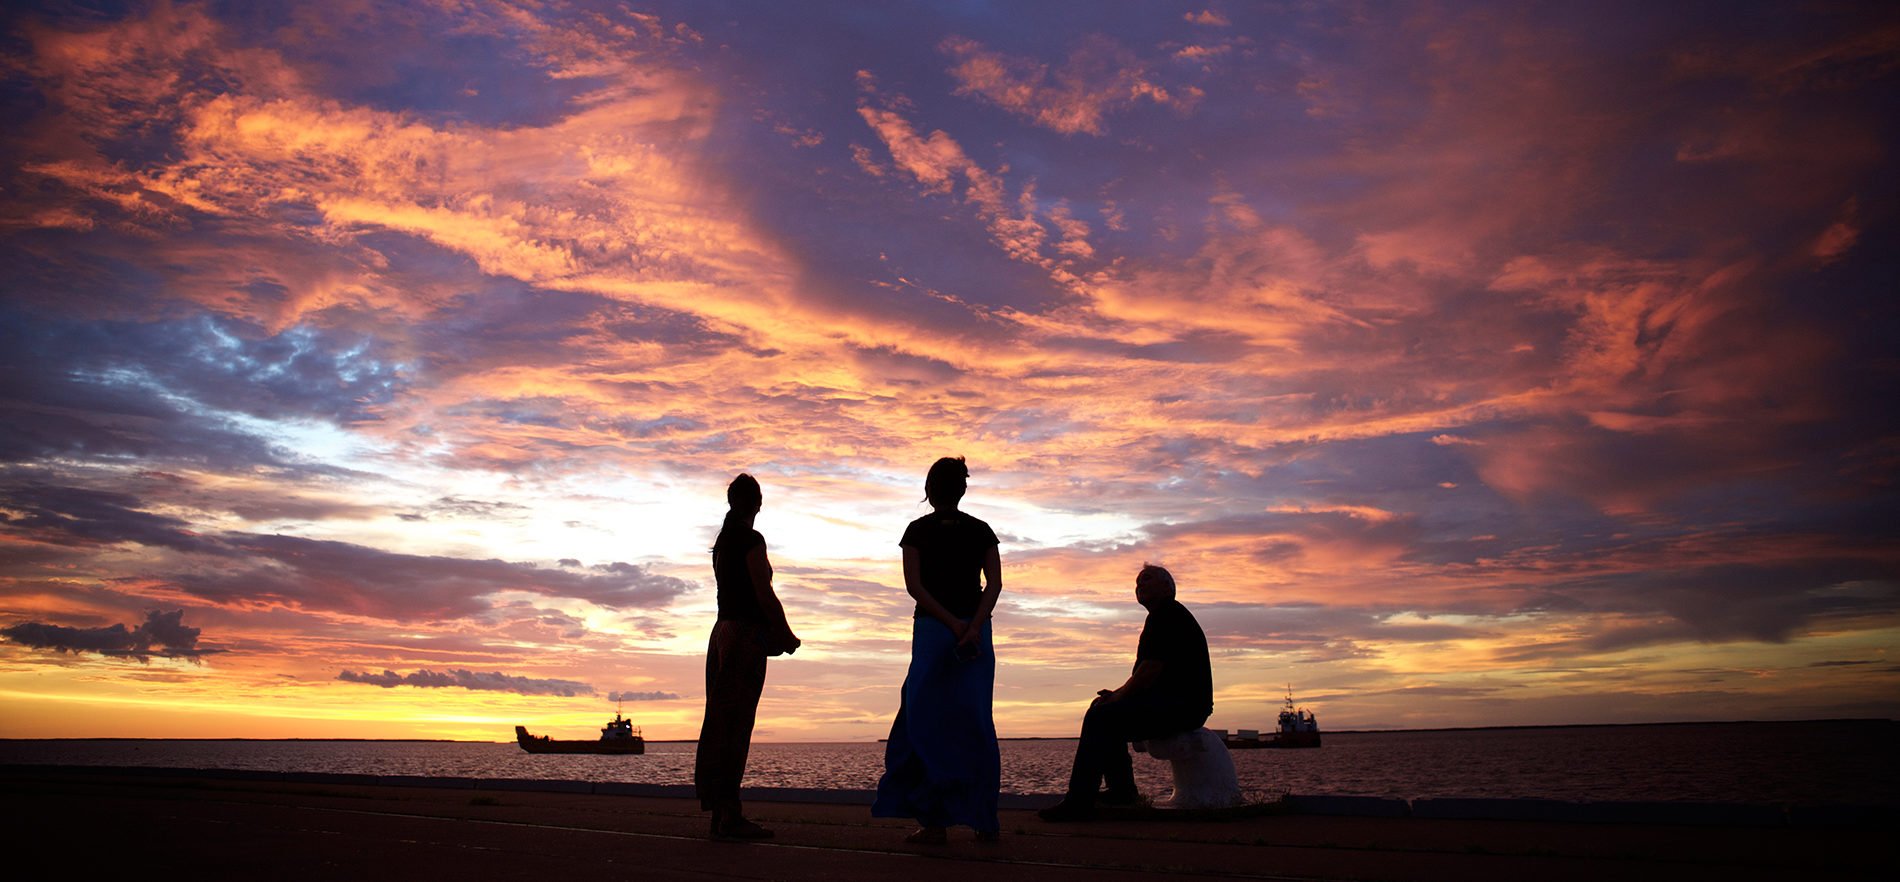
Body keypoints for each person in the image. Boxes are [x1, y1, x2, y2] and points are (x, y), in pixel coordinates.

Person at [871, 456, 1003, 844]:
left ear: (929, 490)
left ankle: (934, 822)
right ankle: (984, 819)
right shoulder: (982, 531)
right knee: (974, 722)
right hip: (973, 635)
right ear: (961, 489)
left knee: (923, 722)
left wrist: (954, 624)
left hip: (934, 630)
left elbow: (915, 586)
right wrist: (972, 626)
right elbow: (993, 586)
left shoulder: (916, 532)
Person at [1038, 564, 1212, 822]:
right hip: (1175, 703)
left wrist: (1119, 696)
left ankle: (1080, 800)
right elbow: (1148, 675)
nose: (1139, 585)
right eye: (1137, 582)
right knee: (1103, 710)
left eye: (1147, 579)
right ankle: (1121, 791)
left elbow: (1149, 671)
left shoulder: (1167, 615)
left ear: (1167, 587)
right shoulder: (1165, 616)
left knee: (1101, 716)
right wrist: (1117, 696)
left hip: (1182, 706)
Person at [695, 473, 801, 840]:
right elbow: (763, 591)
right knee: (736, 725)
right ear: (757, 503)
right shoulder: (750, 540)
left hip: (722, 634)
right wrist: (786, 633)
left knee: (721, 722)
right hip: (742, 637)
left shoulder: (723, 542)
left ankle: (721, 811)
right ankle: (729, 816)